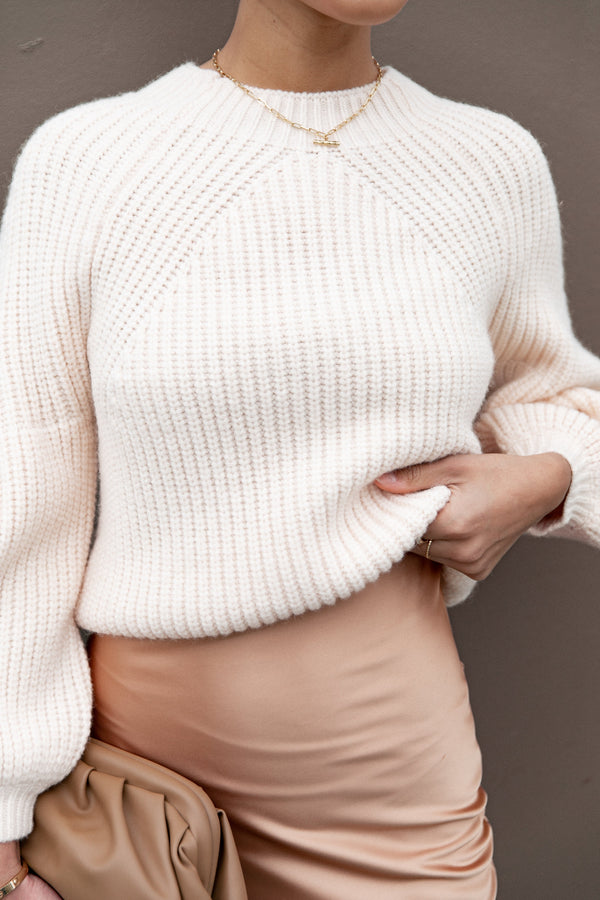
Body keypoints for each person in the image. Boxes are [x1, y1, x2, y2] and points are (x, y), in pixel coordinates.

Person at [1, 0, 599, 897]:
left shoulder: (487, 161)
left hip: (389, 779)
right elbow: (23, 490)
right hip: (139, 793)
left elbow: (560, 399)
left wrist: (549, 478)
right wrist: (3, 808)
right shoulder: (87, 160)